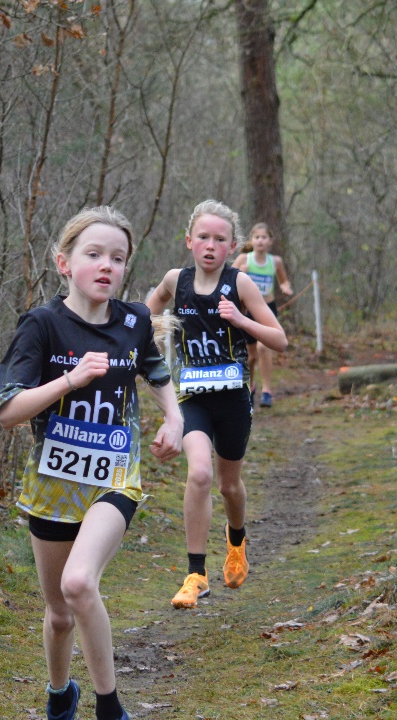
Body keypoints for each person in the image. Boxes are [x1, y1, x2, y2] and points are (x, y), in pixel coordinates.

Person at [0, 207, 183, 720]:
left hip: (112, 479)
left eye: (118, 258)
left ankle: (112, 719)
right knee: (57, 615)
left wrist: (173, 420)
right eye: (94, 255)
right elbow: (6, 411)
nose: (107, 266)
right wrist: (70, 380)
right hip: (52, 485)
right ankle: (59, 701)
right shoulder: (41, 326)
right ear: (65, 262)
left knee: (80, 586)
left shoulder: (132, 321)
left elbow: (155, 372)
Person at [145, 200, 287, 610]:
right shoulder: (176, 281)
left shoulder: (240, 284)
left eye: (219, 239)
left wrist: (241, 321)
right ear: (189, 241)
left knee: (229, 485)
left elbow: (279, 340)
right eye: (202, 237)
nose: (210, 245)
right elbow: (139, 318)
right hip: (191, 398)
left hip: (232, 401)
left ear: (233, 246)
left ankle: (237, 540)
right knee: (200, 474)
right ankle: (196, 574)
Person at [232, 222, 293, 407]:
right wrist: (239, 273)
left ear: (270, 241)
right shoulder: (244, 259)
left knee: (263, 348)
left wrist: (285, 287)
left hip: (268, 309)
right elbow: (227, 278)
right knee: (251, 356)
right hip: (248, 311)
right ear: (252, 240)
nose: (260, 240)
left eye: (264, 237)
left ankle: (267, 391)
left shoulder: (275, 261)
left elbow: (284, 280)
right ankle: (251, 385)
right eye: (256, 237)